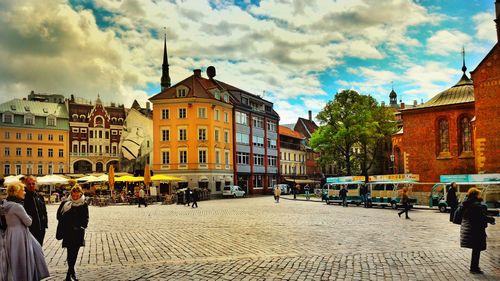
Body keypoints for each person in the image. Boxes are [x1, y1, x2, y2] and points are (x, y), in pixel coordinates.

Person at [3, 183, 50, 281]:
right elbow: (28, 222)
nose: (24, 192)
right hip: (20, 234)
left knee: (14, 258)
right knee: (24, 258)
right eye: (23, 190)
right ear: (17, 192)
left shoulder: (5, 204)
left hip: (10, 233)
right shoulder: (17, 206)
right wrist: (31, 217)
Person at [57, 185, 89, 281]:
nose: (75, 197)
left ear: (80, 194)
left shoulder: (83, 204)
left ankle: (70, 273)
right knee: (70, 252)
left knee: (74, 253)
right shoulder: (65, 203)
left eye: (77, 195)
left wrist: (80, 225)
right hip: (68, 232)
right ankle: (71, 273)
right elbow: (58, 216)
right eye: (73, 195)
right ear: (71, 194)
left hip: (78, 232)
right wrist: (66, 220)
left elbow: (86, 218)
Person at [460, 188, 495, 274]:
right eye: (479, 194)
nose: (480, 195)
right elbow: (480, 217)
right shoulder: (476, 205)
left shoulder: (467, 203)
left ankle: (474, 267)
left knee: (476, 249)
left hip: (470, 229)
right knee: (477, 249)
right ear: (476, 195)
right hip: (476, 230)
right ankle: (474, 268)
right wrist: (491, 219)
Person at [24, 176, 48, 246]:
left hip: (41, 228)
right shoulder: (23, 197)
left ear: (36, 184)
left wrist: (45, 224)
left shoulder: (39, 196)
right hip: (30, 229)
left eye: (33, 183)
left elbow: (44, 211)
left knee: (39, 247)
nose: (31, 185)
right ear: (25, 184)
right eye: (29, 184)